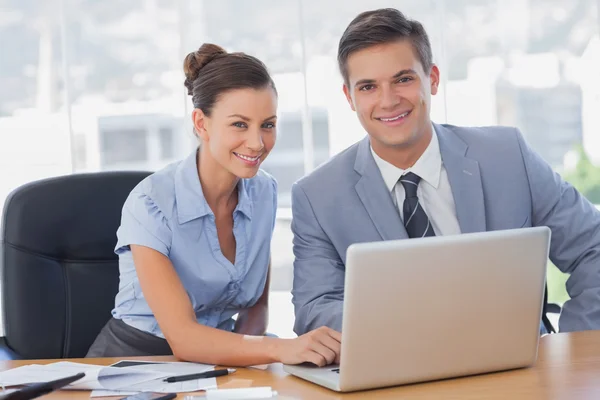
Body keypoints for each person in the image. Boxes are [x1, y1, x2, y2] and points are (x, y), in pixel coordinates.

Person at [291, 8, 600, 336]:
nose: (388, 100)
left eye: (403, 79)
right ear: (349, 97)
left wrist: (572, 347)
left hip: (519, 368)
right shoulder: (317, 196)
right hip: (397, 376)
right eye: (367, 87)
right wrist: (412, 336)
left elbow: (593, 248)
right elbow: (315, 307)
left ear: (433, 79)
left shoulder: (508, 156)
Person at [87, 43, 341, 367]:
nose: (257, 142)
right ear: (201, 123)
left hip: (220, 362)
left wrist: (248, 366)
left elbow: (255, 309)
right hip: (135, 363)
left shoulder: (264, 191)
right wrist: (278, 349)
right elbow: (183, 338)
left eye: (268, 124)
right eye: (239, 124)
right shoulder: (150, 203)